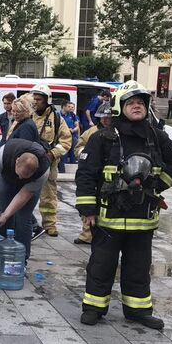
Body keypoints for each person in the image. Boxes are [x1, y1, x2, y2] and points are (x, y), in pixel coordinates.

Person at [76, 81, 172, 330]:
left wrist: (158, 185)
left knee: (138, 267)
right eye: (131, 103)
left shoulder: (157, 137)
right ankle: (94, 307)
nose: (137, 106)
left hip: (143, 216)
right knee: (101, 265)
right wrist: (87, 209)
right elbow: (85, 174)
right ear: (119, 107)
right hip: (108, 217)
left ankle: (138, 311)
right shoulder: (103, 138)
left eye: (140, 103)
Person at [0, 139, 50, 263]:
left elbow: (24, 194)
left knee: (23, 217)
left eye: (24, 177)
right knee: (4, 218)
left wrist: (6, 215)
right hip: (7, 178)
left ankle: (22, 260)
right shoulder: (2, 155)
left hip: (29, 187)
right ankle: (1, 256)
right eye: (20, 174)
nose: (20, 178)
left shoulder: (42, 172)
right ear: (17, 162)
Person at [31, 84, 72, 237]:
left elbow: (66, 142)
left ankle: (49, 225)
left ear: (47, 100)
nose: (36, 102)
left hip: (48, 162)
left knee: (48, 194)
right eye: (34, 98)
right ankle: (25, 223)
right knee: (23, 193)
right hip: (29, 162)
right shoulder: (28, 115)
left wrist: (52, 154)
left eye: (39, 99)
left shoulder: (56, 118)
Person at [73, 104, 113, 245]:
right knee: (88, 203)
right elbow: (78, 147)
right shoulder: (91, 132)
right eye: (104, 117)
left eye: (109, 117)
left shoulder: (117, 133)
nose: (107, 120)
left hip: (107, 175)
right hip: (91, 171)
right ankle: (86, 235)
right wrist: (86, 154)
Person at [60, 101, 80, 167]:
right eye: (68, 107)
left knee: (74, 152)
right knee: (64, 153)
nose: (70, 108)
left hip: (72, 136)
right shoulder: (58, 115)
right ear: (64, 107)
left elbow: (77, 126)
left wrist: (73, 130)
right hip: (62, 137)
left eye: (71, 107)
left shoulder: (73, 115)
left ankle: (73, 165)